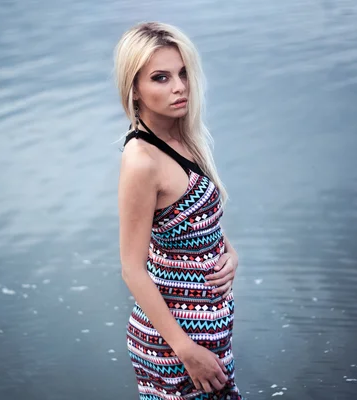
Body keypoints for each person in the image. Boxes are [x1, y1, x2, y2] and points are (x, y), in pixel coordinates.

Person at [114, 21, 243, 399]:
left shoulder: (184, 137)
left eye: (183, 73)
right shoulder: (142, 160)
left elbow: (193, 221)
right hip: (176, 346)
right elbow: (131, 269)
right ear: (134, 90)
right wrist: (185, 351)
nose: (179, 86)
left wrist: (229, 253)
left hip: (209, 336)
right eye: (161, 77)